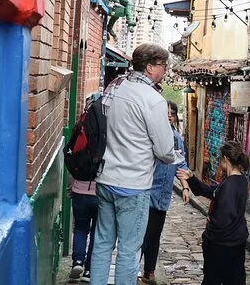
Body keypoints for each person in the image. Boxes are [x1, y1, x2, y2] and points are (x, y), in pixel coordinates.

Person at [90, 43, 179, 285]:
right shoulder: (153, 100)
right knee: (129, 250)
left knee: (102, 244)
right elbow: (165, 151)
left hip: (105, 178)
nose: (165, 70)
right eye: (163, 65)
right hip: (133, 184)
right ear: (149, 67)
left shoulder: (115, 87)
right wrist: (173, 156)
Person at [176, 141, 250, 285]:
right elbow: (212, 192)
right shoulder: (238, 180)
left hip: (222, 245)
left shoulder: (230, 186)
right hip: (235, 242)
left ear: (226, 159)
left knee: (213, 280)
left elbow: (223, 219)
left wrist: (209, 231)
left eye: (220, 158)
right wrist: (192, 180)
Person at [139, 102, 191, 284]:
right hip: (146, 191)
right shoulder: (151, 135)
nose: (169, 115)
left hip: (162, 196)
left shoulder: (176, 138)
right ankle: (132, 270)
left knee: (154, 235)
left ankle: (149, 272)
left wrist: (185, 186)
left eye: (173, 113)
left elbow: (180, 164)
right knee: (142, 235)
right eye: (166, 112)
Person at [67, 177, 97, 282]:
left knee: (80, 229)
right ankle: (88, 270)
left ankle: (78, 261)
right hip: (100, 195)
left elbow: (71, 171)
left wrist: (70, 187)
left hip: (79, 193)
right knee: (96, 233)